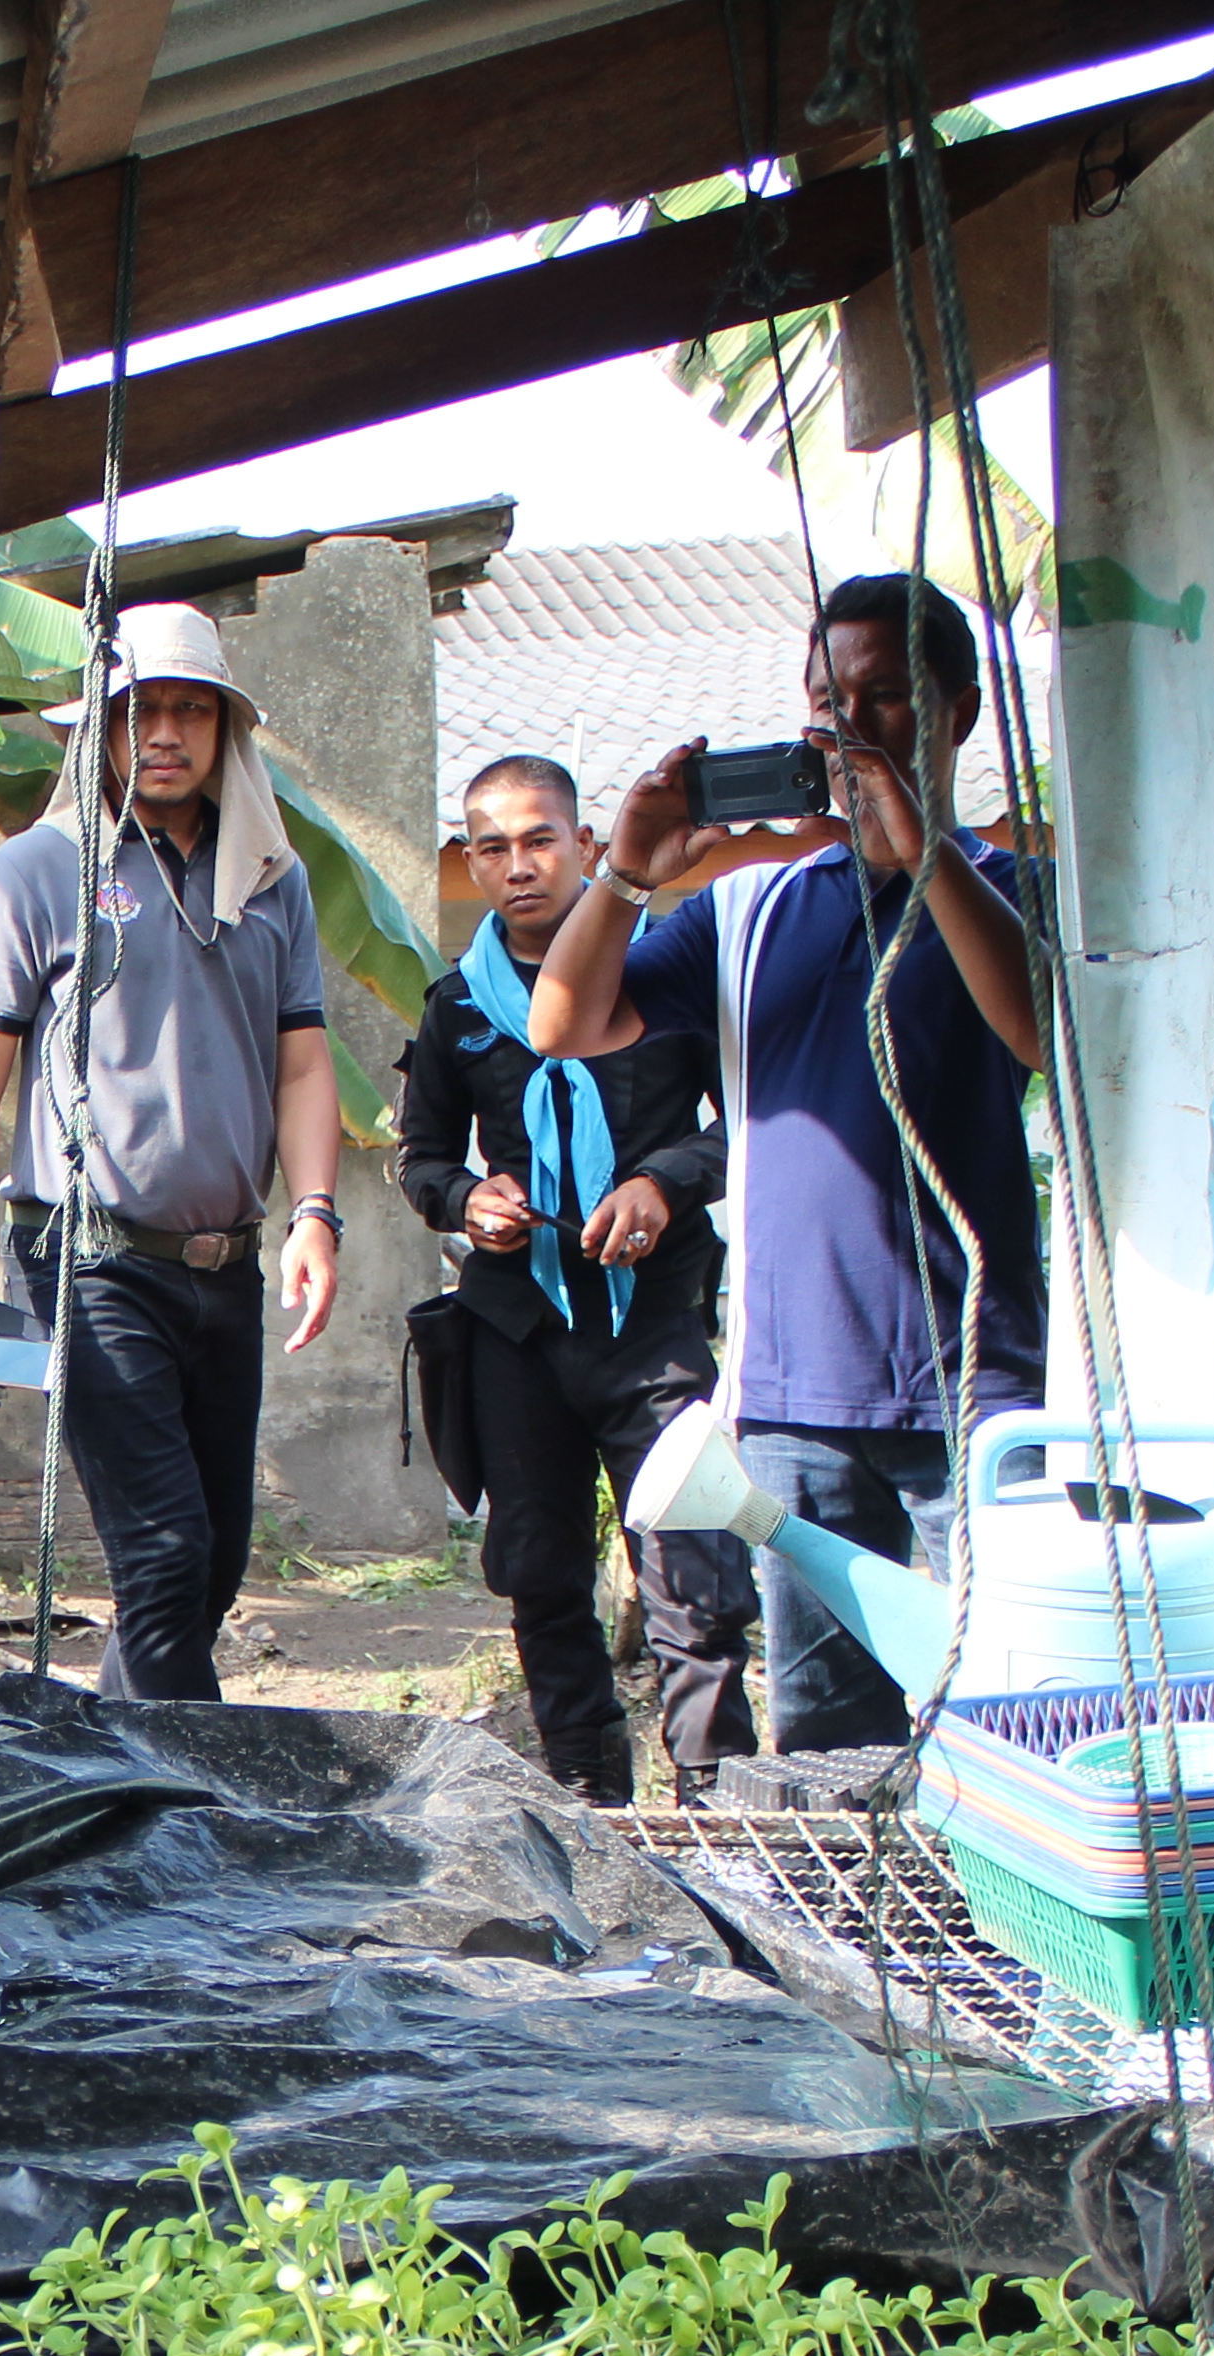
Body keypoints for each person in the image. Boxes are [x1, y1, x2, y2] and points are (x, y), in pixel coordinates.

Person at [524, 570, 1047, 1754]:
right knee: (824, 1742)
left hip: (976, 1386)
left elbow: (1039, 1032)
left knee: (1012, 1714)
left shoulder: (1008, 889)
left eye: (883, 698)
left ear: (958, 712)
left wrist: (921, 849)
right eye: (825, 702)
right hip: (794, 1399)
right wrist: (628, 871)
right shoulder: (750, 909)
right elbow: (561, 1022)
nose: (846, 728)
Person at [0, 602, 342, 1700]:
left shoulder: (270, 876)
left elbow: (302, 1066)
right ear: (100, 726)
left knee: (212, 1567)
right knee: (163, 1556)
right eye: (142, 710)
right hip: (89, 1257)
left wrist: (315, 1214)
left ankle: (101, 1758)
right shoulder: (39, 871)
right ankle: (189, 1795)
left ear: (225, 729)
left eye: (194, 710)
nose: (167, 733)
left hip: (225, 1263)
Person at [397, 755, 757, 1802]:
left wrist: (663, 1183)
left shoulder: (668, 977)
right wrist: (468, 1201)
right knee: (542, 1578)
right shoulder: (458, 1005)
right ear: (471, 864)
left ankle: (714, 1812)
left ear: (588, 847)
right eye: (494, 848)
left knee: (695, 1578)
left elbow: (746, 1126)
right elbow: (420, 1158)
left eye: (540, 841)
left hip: (655, 1327)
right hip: (516, 1333)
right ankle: (588, 1804)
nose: (520, 866)